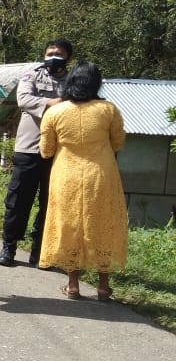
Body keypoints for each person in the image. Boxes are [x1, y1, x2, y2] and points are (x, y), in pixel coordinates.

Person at [37, 61, 127, 301]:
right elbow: (118, 142)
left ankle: (73, 285)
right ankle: (103, 287)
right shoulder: (108, 110)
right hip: (101, 174)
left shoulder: (55, 112)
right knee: (103, 224)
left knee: (70, 226)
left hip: (66, 176)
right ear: (95, 83)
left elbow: (45, 150)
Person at [0, 39, 72, 267]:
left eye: (59, 53)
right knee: (18, 201)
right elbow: (24, 99)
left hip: (59, 152)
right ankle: (9, 248)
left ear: (68, 57)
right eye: (50, 52)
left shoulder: (73, 80)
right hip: (29, 149)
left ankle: (40, 252)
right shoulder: (32, 75)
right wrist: (56, 102)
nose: (53, 56)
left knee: (51, 204)